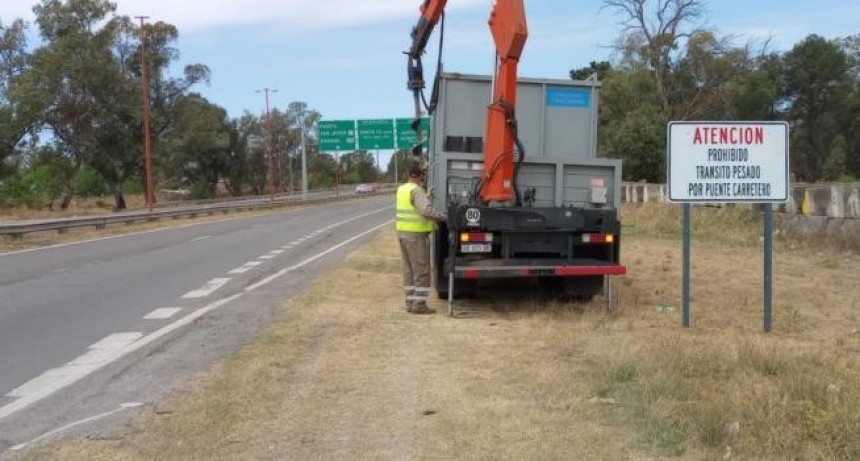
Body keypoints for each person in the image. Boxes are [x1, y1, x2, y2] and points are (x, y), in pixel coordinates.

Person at [396, 163, 446, 314]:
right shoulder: (417, 190)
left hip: (403, 234)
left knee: (409, 270)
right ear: (418, 176)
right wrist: (443, 218)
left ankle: (410, 302)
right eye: (422, 177)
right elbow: (425, 211)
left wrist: (427, 196)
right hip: (416, 236)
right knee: (422, 270)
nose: (423, 179)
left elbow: (413, 206)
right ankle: (419, 305)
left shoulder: (402, 189)